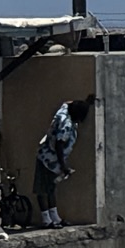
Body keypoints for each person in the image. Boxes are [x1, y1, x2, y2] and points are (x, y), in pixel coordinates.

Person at [34, 94, 92, 228]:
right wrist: (63, 166)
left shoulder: (65, 109)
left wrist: (86, 103)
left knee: (52, 188)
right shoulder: (65, 124)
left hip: (52, 160)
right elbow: (59, 145)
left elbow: (68, 102)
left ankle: (55, 218)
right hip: (48, 159)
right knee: (42, 189)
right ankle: (46, 220)